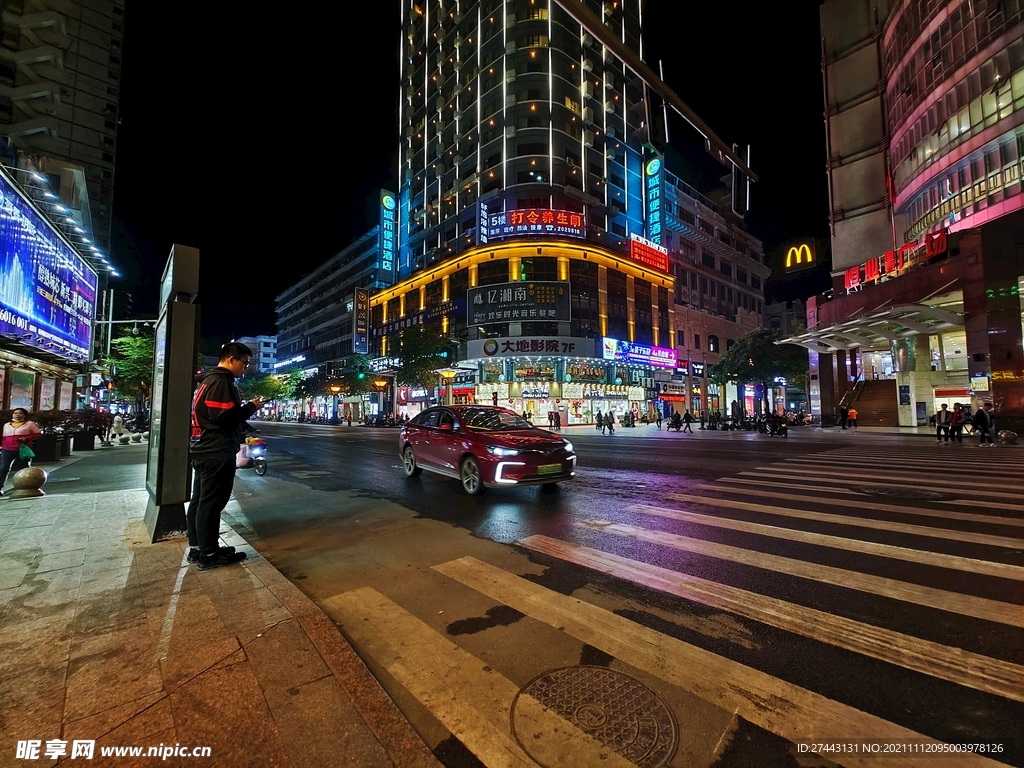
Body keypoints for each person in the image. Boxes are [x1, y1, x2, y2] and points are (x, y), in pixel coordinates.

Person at [187, 342, 264, 570]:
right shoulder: (221, 382)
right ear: (232, 359)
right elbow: (224, 417)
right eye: (244, 363)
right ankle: (208, 554)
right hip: (215, 450)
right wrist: (250, 407)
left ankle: (200, 547)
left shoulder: (209, 380)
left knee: (200, 501)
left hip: (204, 449)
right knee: (211, 503)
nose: (245, 368)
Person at [1, 408, 41, 495]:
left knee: (23, 468)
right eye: (15, 413)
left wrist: (27, 438)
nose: (17, 415)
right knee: (3, 468)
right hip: (7, 449)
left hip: (22, 449)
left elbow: (37, 434)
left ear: (25, 415)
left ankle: (25, 487)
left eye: (20, 413)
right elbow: (4, 437)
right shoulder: (7, 425)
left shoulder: (30, 424)